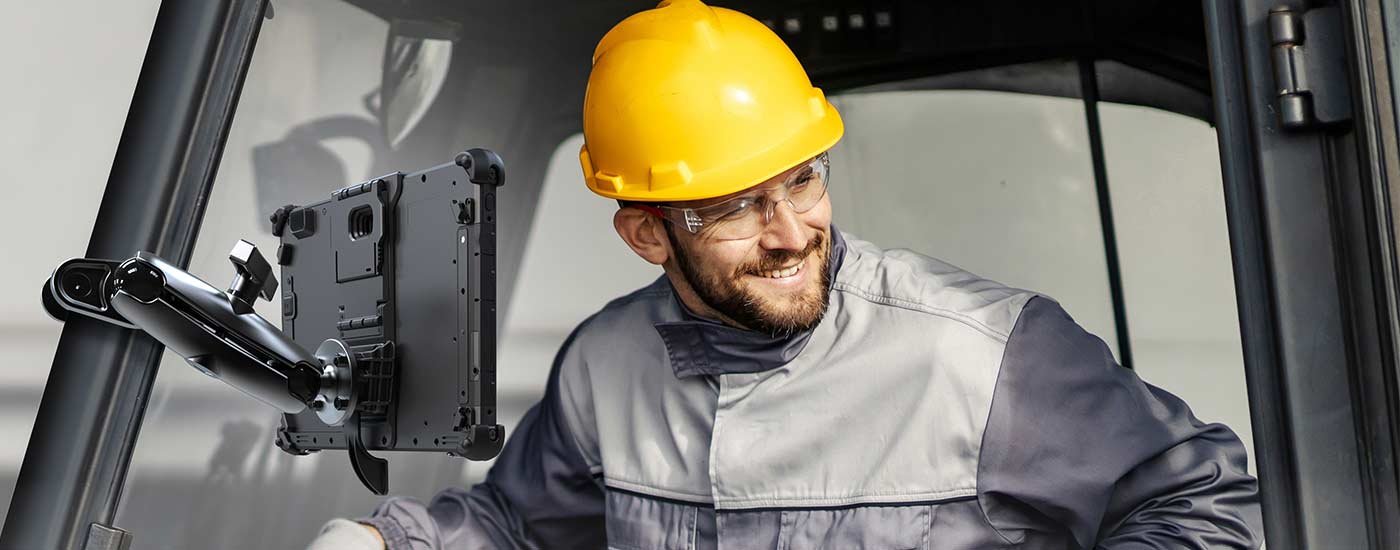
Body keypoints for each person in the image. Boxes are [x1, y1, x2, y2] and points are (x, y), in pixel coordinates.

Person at [309, 1, 1262, 548]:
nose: (790, 231)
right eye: (732, 206)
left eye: (802, 179)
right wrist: (388, 545)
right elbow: (516, 531)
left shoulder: (985, 355)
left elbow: (1197, 499)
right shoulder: (604, 366)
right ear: (648, 235)